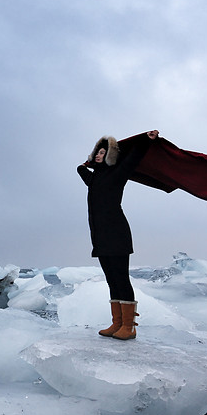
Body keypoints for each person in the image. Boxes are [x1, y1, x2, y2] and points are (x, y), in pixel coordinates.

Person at [77, 129, 159, 340]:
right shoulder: (95, 178)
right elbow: (81, 171)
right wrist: (85, 164)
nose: (98, 155)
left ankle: (129, 327)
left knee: (121, 279)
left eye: (103, 152)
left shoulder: (118, 173)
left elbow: (132, 159)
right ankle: (117, 323)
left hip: (117, 234)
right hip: (100, 236)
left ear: (111, 155)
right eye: (97, 152)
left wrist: (146, 142)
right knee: (111, 280)